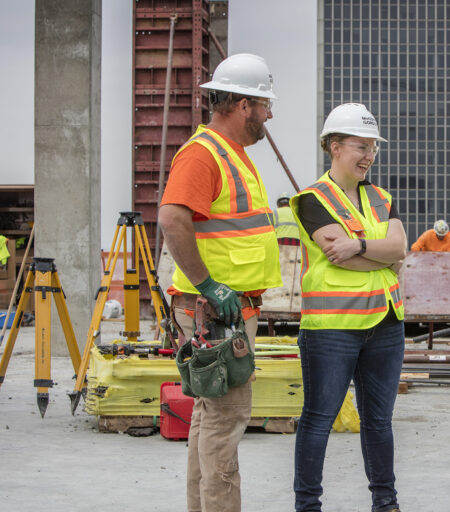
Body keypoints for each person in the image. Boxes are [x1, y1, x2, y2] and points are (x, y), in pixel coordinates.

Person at [158, 53, 283, 512]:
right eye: (264, 105)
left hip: (227, 309)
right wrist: (208, 284)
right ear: (241, 104)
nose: (269, 115)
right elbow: (173, 218)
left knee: (208, 419)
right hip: (217, 312)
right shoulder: (204, 153)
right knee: (226, 420)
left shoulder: (233, 155)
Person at [290, 103, 407, 512]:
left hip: (385, 323)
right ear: (334, 146)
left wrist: (358, 245)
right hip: (332, 328)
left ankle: (386, 502)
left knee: (379, 421)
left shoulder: (380, 197)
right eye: (361, 146)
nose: (370, 155)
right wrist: (381, 254)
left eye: (373, 147)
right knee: (319, 419)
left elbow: (399, 249)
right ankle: (308, 505)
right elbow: (367, 255)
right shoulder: (311, 200)